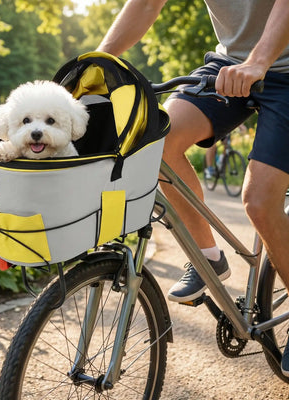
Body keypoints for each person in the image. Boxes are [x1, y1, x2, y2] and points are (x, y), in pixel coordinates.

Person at [97, 0, 289, 374]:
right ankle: (208, 258)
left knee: (259, 202)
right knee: (155, 145)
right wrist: (96, 65)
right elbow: (147, 4)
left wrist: (259, 61)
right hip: (229, 65)